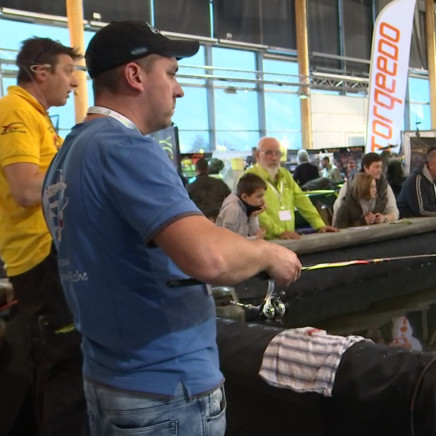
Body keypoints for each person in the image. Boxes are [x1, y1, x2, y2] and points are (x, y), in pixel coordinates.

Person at [40, 21, 301, 436]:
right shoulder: (126, 148)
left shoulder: (68, 153)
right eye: (172, 74)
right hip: (165, 393)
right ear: (135, 76)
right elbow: (208, 258)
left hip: (108, 380)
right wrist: (271, 255)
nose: (179, 90)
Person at [0, 37, 86, 435]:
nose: (73, 83)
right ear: (41, 72)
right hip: (38, 258)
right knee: (62, 366)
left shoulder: (36, 115)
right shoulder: (15, 111)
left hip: (52, 253)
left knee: (62, 364)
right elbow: (24, 187)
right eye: (68, 72)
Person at [246, 137, 338, 239]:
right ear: (258, 155)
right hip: (265, 241)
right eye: (268, 153)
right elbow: (257, 213)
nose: (274, 157)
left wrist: (319, 224)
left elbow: (301, 200)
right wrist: (279, 232)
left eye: (277, 153)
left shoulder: (285, 175)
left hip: (288, 238)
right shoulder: (250, 178)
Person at [333, 152, 399, 224]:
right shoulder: (349, 185)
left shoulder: (384, 187)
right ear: (366, 168)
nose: (380, 170)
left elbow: (394, 212)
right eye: (376, 167)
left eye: (381, 167)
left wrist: (384, 218)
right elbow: (337, 211)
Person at [216, 173, 267, 238]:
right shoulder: (233, 209)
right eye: (259, 196)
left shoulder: (248, 206)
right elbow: (229, 239)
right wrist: (255, 238)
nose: (263, 201)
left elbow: (254, 234)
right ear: (244, 197)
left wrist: (253, 216)